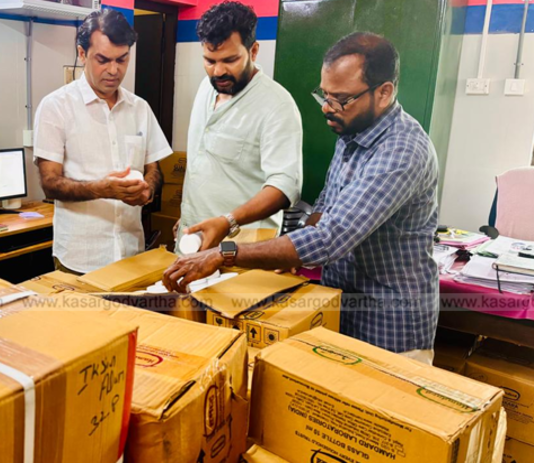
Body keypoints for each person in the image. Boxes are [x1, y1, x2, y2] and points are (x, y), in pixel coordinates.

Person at [164, 32, 440, 363]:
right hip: (340, 308)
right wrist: (292, 250)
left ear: (384, 93)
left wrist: (224, 254)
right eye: (324, 95)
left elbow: (332, 236)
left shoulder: (401, 151)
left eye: (341, 99)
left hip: (389, 328)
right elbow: (324, 210)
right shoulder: (353, 131)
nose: (327, 108)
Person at [34, 9, 173, 274]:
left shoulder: (139, 108)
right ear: (82, 53)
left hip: (131, 254)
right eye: (103, 59)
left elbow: (153, 169)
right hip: (80, 260)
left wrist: (148, 191)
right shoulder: (56, 107)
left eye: (122, 59)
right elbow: (49, 184)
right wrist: (103, 189)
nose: (113, 70)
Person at [175, 1, 302, 251]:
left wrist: (227, 221)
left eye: (230, 60)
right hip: (193, 240)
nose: (218, 71)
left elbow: (285, 186)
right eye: (210, 61)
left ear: (253, 51)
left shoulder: (277, 105)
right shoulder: (206, 88)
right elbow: (209, 168)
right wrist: (188, 218)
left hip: (242, 249)